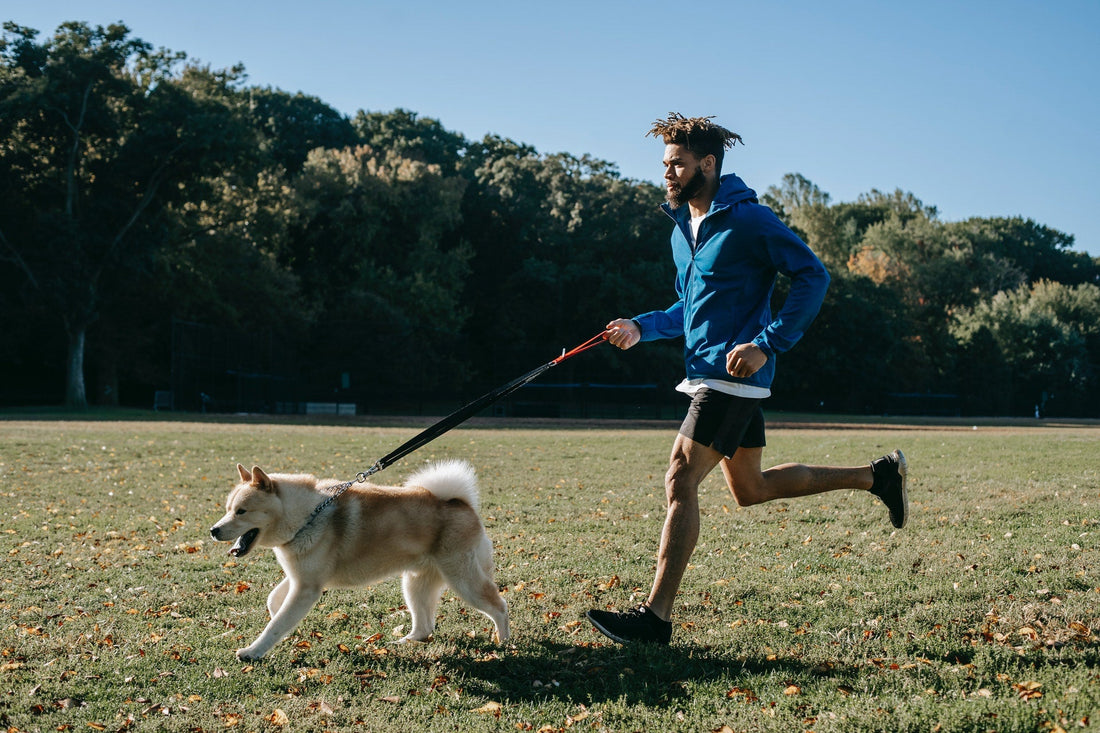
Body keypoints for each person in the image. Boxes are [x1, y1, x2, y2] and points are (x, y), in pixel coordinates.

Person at [586, 113, 908, 646]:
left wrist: (768, 343)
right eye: (665, 164)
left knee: (680, 478)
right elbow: (688, 309)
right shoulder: (683, 229)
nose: (668, 174)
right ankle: (877, 476)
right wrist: (640, 328)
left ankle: (654, 619)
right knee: (750, 488)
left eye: (678, 164)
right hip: (709, 372)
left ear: (707, 164)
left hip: (729, 377)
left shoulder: (750, 221)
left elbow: (813, 274)